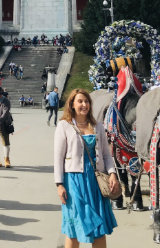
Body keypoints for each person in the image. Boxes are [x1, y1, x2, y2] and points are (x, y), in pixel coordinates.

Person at [54, 88, 119, 248]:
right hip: (74, 182)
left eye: (86, 101)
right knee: (74, 229)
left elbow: (106, 155)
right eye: (80, 101)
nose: (84, 104)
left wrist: (112, 174)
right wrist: (59, 184)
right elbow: (58, 157)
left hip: (95, 182)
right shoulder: (64, 126)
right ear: (72, 105)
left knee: (99, 229)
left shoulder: (97, 126)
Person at [0, 87, 14, 168]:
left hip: (3, 123)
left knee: (5, 142)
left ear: (1, 95)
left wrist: (0, 121)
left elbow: (5, 112)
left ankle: (6, 159)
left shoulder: (6, 101)